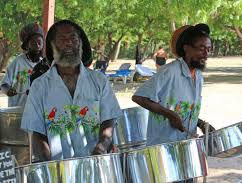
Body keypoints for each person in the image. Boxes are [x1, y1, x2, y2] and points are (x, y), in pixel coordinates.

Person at [21, 20, 122, 162]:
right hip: (60, 169)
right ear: (52, 45)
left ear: (80, 43)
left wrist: (101, 148)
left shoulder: (99, 80)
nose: (68, 43)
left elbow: (109, 120)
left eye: (73, 38)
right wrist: (49, 168)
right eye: (62, 39)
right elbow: (36, 133)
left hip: (99, 164)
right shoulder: (39, 86)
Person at [132, 24, 215, 182]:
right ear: (186, 48)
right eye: (201, 48)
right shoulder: (169, 71)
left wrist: (201, 123)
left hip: (186, 149)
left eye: (209, 49)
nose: (206, 53)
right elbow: (139, 97)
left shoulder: (198, 76)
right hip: (164, 150)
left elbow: (185, 110)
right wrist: (170, 115)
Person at [1, 23, 44, 106]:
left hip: (36, 112)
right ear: (27, 45)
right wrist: (8, 91)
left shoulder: (44, 65)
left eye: (39, 42)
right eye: (33, 43)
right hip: (17, 111)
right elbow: (3, 85)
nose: (37, 46)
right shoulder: (18, 62)